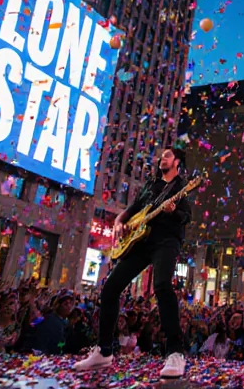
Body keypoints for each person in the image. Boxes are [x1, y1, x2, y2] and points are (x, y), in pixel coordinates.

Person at [76, 147, 194, 377]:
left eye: (168, 155)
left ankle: (176, 352)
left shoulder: (181, 187)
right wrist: (119, 224)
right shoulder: (150, 186)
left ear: (177, 162)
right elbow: (128, 212)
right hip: (140, 242)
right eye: (162, 155)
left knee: (161, 284)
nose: (163, 158)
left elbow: (186, 217)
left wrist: (173, 212)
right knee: (110, 288)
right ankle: (104, 350)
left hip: (166, 240)